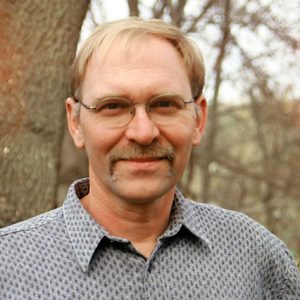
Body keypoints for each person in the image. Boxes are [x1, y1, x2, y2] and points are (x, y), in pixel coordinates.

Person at [0, 17, 299, 300]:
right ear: (76, 123)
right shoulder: (9, 268)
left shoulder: (256, 258)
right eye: (113, 106)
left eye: (165, 104)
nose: (143, 132)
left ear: (198, 118)